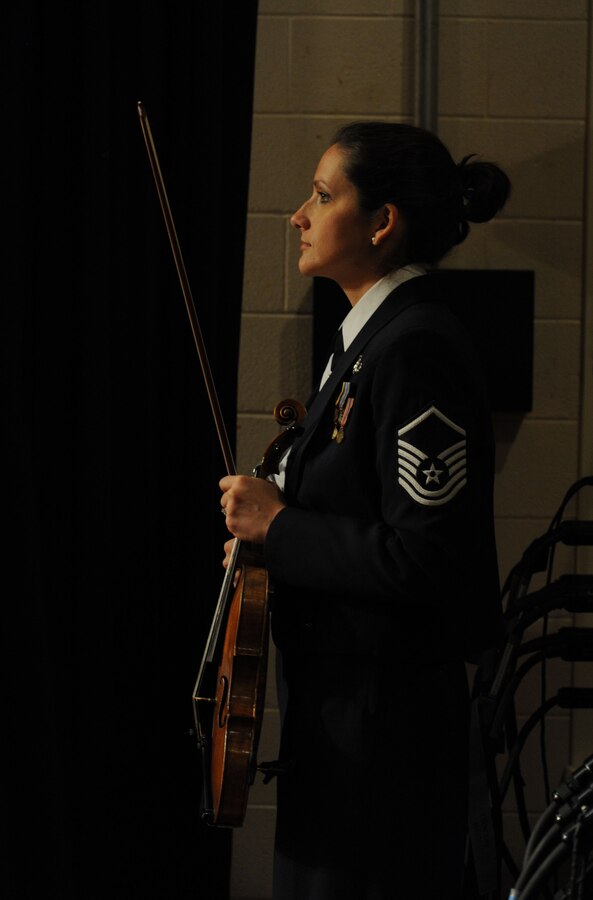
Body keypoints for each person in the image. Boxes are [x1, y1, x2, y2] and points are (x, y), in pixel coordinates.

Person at [219, 122, 511, 899]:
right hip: (345, 729)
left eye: (322, 194)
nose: (299, 216)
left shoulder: (414, 347)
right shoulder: (366, 343)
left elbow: (424, 559)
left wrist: (278, 528)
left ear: (381, 222)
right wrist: (268, 534)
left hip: (386, 743)